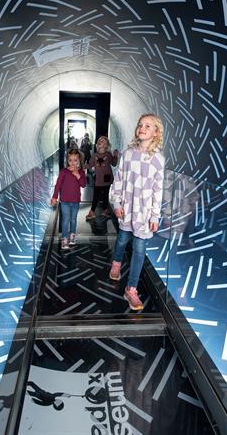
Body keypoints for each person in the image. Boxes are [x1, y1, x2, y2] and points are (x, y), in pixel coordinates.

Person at [109, 114, 165, 310]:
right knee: (122, 240)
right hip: (127, 209)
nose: (142, 128)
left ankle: (131, 289)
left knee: (140, 250)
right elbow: (118, 180)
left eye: (148, 126)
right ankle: (116, 262)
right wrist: (116, 203)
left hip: (144, 214)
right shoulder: (127, 154)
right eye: (140, 125)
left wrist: (155, 215)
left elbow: (158, 190)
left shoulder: (158, 160)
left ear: (156, 133)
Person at [51, 149, 86, 250]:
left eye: (75, 160)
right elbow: (58, 185)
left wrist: (77, 175)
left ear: (79, 160)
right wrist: (54, 197)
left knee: (73, 220)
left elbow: (83, 184)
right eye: (70, 160)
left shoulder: (81, 172)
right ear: (67, 160)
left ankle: (72, 235)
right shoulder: (64, 172)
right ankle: (64, 239)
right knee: (66, 220)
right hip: (65, 202)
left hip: (75, 202)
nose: (73, 162)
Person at [86, 136, 118, 220]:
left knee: (105, 195)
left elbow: (114, 164)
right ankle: (92, 212)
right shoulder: (94, 155)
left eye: (103, 141)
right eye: (99, 140)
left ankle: (105, 210)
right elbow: (90, 165)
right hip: (99, 179)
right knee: (96, 196)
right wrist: (82, 166)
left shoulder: (108, 154)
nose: (100, 141)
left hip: (107, 178)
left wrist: (115, 156)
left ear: (106, 145)